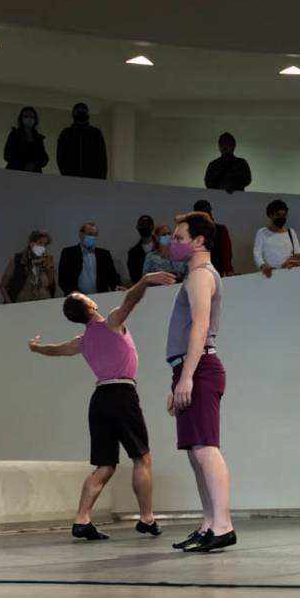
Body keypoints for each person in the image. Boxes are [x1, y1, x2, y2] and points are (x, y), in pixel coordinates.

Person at [27, 275, 177, 540]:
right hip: (122, 394)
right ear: (91, 307)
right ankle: (147, 519)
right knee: (142, 458)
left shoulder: (82, 341)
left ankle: (82, 519)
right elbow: (131, 299)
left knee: (105, 465)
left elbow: (56, 350)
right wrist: (144, 281)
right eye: (85, 297)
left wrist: (36, 349)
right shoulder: (112, 323)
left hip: (99, 400)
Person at [165, 213, 235, 552]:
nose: (172, 244)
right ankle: (209, 523)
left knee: (206, 448)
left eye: (178, 238)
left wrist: (188, 377)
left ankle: (223, 525)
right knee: (196, 453)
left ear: (199, 241)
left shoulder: (200, 276)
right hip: (191, 368)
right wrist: (178, 379)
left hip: (201, 368)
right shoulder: (196, 276)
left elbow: (200, 326)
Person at [59, 223, 123, 295]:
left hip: (101, 296)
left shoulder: (104, 254)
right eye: (89, 234)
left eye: (95, 235)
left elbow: (112, 275)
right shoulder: (69, 253)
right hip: (77, 298)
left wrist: (117, 286)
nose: (92, 237)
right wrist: (71, 292)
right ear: (81, 234)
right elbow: (63, 278)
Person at [0, 230, 57, 303]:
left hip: (44, 302)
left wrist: (49, 268)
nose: (43, 247)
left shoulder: (47, 259)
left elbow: (50, 283)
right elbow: (3, 286)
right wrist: (10, 305)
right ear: (31, 243)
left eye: (45, 244)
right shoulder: (17, 260)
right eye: (40, 243)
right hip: (23, 304)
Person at [56, 103, 107, 179]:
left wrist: (101, 178)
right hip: (71, 178)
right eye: (78, 111)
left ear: (88, 114)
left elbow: (102, 157)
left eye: (83, 111)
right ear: (73, 114)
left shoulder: (95, 133)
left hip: (93, 179)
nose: (81, 113)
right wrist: (66, 175)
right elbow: (61, 157)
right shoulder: (66, 133)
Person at [252, 200, 300, 277]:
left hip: (290, 273)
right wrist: (263, 265)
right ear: (270, 215)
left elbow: (298, 252)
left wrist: (291, 262)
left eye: (284, 215)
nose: (281, 218)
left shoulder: (291, 232)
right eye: (278, 215)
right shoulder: (262, 232)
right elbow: (257, 253)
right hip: (271, 275)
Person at [192, 200, 235, 276]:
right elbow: (227, 253)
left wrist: (228, 270)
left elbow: (226, 253)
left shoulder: (220, 229)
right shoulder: (221, 229)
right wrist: (229, 270)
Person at [4, 106, 49, 172]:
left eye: (32, 117)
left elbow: (44, 158)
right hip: (15, 172)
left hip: (34, 174)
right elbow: (7, 155)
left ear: (35, 120)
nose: (29, 119)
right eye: (26, 116)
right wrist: (24, 164)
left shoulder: (38, 138)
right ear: (21, 119)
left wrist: (35, 164)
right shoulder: (15, 135)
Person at [127, 215, 158, 284]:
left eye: (147, 225)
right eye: (142, 225)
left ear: (152, 227)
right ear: (137, 228)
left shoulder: (163, 247)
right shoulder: (133, 253)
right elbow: (134, 276)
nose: (145, 227)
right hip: (144, 289)